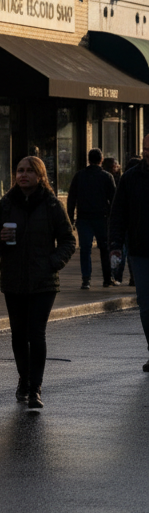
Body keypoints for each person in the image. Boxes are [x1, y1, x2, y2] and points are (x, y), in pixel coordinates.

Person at [0, 156, 76, 409]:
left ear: (40, 176)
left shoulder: (51, 205)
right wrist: (0, 239)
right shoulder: (5, 204)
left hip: (44, 280)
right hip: (13, 278)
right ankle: (23, 380)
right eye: (19, 171)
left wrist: (53, 263)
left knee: (36, 333)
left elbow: (69, 240)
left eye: (29, 171)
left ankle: (36, 387)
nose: (23, 175)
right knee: (18, 334)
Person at [110, 134, 149, 371]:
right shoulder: (131, 178)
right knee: (146, 306)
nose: (147, 153)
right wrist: (115, 244)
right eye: (145, 148)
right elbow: (118, 214)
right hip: (141, 250)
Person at [66, 148, 117, 289]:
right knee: (104, 248)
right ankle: (107, 278)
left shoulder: (79, 176)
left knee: (85, 249)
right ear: (101, 160)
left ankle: (86, 279)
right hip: (102, 217)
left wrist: (70, 218)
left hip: (84, 218)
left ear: (89, 160)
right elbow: (114, 200)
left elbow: (71, 199)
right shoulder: (107, 177)